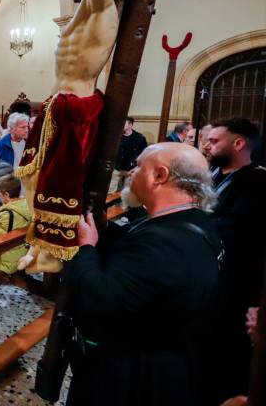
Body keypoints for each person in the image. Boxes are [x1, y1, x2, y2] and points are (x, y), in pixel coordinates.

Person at [63, 142, 222, 406]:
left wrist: (87, 248)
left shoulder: (162, 242)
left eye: (138, 166)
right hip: (170, 358)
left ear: (159, 175)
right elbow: (140, 262)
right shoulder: (195, 222)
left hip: (128, 377)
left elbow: (98, 303)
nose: (132, 173)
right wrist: (105, 230)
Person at [14, 0, 118, 273]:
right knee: (32, 177)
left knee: (56, 181)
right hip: (59, 104)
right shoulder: (85, 9)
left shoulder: (102, 4)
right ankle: (39, 243)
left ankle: (51, 249)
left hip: (75, 106)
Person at [202, 117, 266, 404]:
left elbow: (237, 232)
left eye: (215, 141)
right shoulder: (214, 174)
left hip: (236, 287)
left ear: (238, 144)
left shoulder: (256, 183)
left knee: (225, 359)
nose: (207, 145)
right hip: (210, 282)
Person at [114, 117, 148, 191]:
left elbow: (144, 154)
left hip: (130, 169)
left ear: (130, 125)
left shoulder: (139, 138)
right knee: (112, 192)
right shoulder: (116, 135)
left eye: (123, 123)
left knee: (127, 192)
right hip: (116, 168)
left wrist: (137, 168)